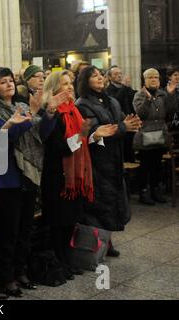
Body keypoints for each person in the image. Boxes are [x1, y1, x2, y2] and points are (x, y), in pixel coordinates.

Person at [41, 70, 118, 279]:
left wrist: (93, 136)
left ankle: (67, 259)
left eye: (70, 84)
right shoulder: (52, 113)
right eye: (64, 84)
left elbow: (79, 143)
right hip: (59, 177)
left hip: (75, 177)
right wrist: (84, 135)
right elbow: (60, 147)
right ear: (54, 88)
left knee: (70, 222)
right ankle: (59, 261)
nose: (69, 87)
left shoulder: (73, 110)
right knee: (59, 223)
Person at [76, 66, 142, 258]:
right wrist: (123, 126)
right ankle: (99, 244)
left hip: (114, 158)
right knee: (99, 204)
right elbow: (95, 131)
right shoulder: (83, 104)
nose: (99, 78)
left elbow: (120, 121)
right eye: (93, 76)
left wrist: (131, 123)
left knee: (113, 202)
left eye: (99, 75)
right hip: (97, 160)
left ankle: (108, 241)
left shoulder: (111, 100)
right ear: (85, 81)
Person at [0, 67, 38, 296]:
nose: (9, 85)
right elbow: (5, 137)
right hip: (5, 178)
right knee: (8, 231)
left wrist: (47, 115)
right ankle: (6, 277)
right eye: (2, 82)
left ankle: (21, 270)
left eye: (10, 81)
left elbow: (38, 136)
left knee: (25, 228)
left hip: (27, 174)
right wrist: (31, 118)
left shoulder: (23, 106)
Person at [133, 68, 178, 205]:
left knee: (157, 165)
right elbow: (141, 114)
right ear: (144, 80)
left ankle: (155, 190)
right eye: (150, 77)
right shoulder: (139, 94)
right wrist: (147, 99)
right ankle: (143, 192)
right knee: (145, 165)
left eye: (156, 77)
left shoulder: (163, 94)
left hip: (160, 134)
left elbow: (171, 112)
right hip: (145, 134)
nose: (154, 79)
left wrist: (170, 95)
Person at [105, 66, 138, 162]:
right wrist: (124, 87)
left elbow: (133, 100)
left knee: (131, 154)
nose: (119, 76)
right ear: (110, 77)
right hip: (119, 125)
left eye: (120, 73)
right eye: (116, 74)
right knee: (122, 156)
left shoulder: (126, 88)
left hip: (130, 123)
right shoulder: (108, 90)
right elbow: (115, 102)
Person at [165, 66, 179, 131]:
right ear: (170, 77)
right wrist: (170, 94)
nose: (178, 77)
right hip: (170, 125)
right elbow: (168, 109)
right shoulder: (164, 91)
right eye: (175, 75)